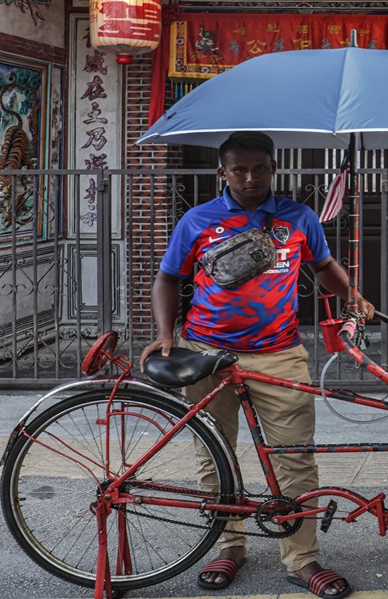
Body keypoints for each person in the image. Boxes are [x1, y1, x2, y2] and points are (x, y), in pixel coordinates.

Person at [139, 131, 372, 599]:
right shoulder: (198, 220)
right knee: (214, 456)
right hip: (206, 353)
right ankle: (228, 545)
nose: (250, 177)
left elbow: (322, 266)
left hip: (280, 354)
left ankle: (302, 558)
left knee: (295, 457)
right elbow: (168, 278)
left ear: (272, 168)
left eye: (260, 168)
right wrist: (167, 335)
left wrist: (353, 295)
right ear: (222, 172)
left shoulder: (298, 217)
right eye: (239, 169)